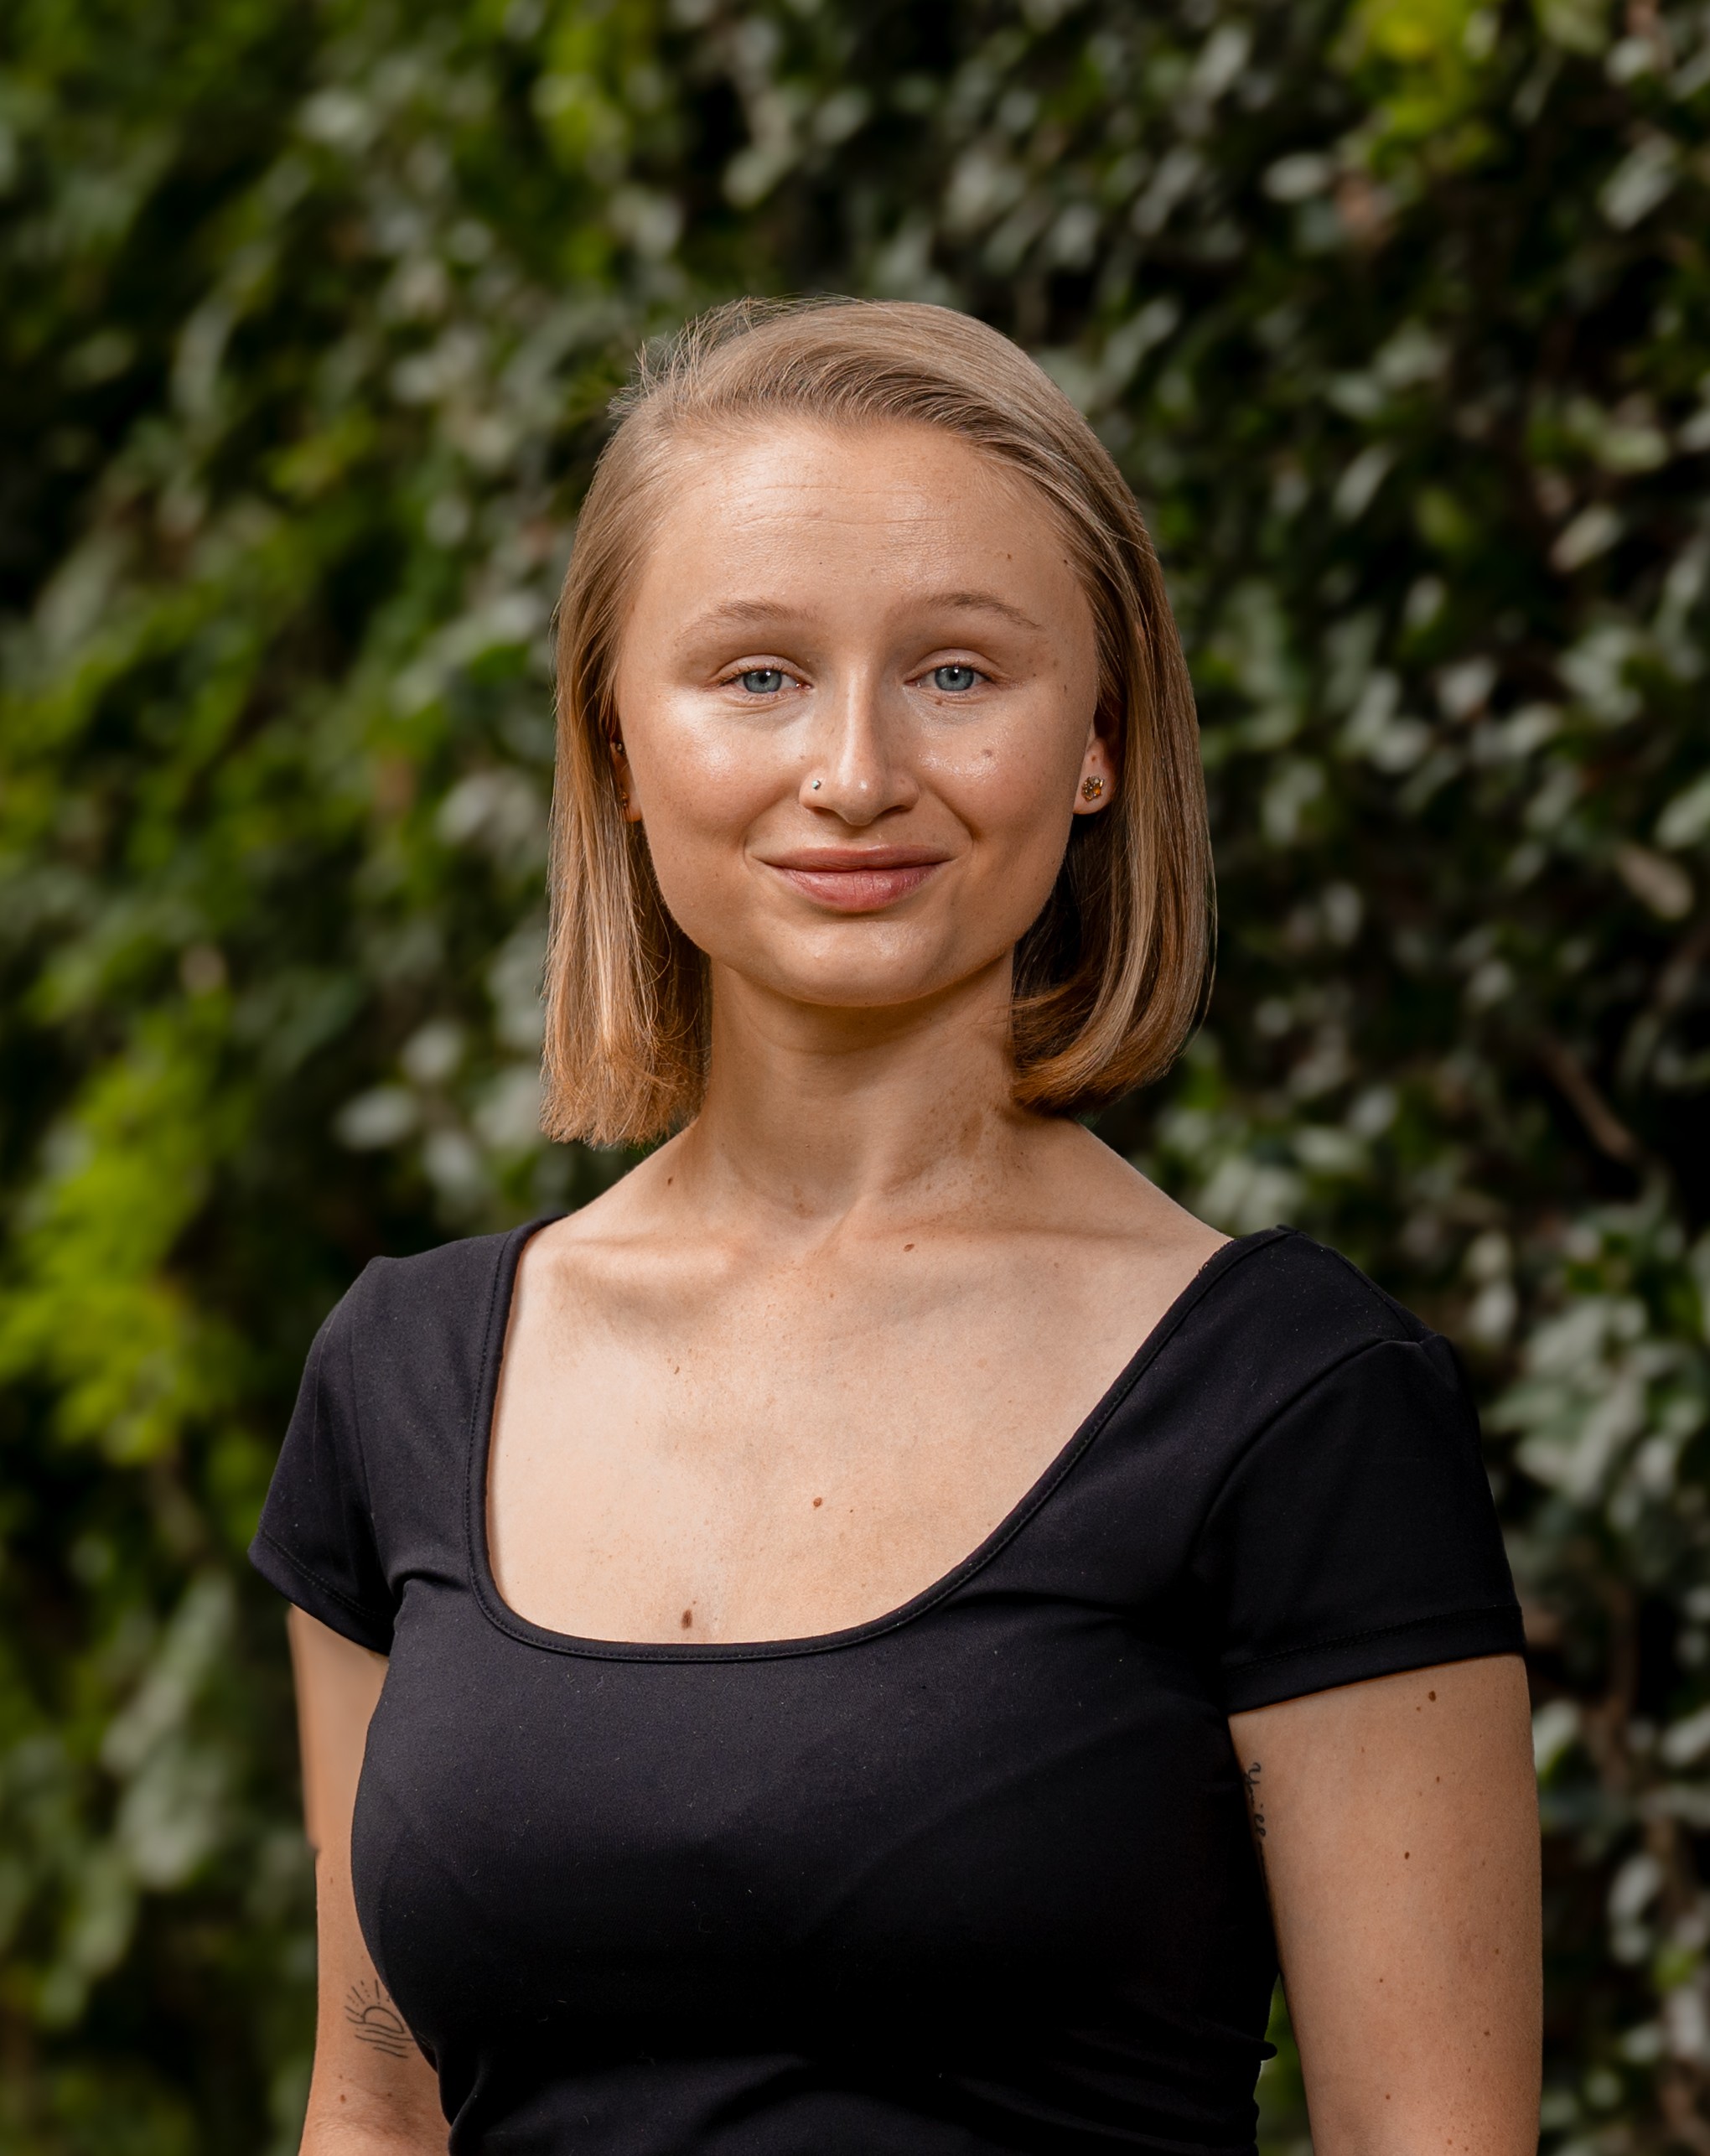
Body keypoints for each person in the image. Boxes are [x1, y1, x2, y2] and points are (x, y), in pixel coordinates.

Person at [254, 298, 1541, 2156]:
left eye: (956, 672)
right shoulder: (404, 1380)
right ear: (617, 741)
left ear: (1098, 743)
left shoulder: (1300, 1402)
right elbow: (370, 2111)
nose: (854, 770)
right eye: (757, 674)